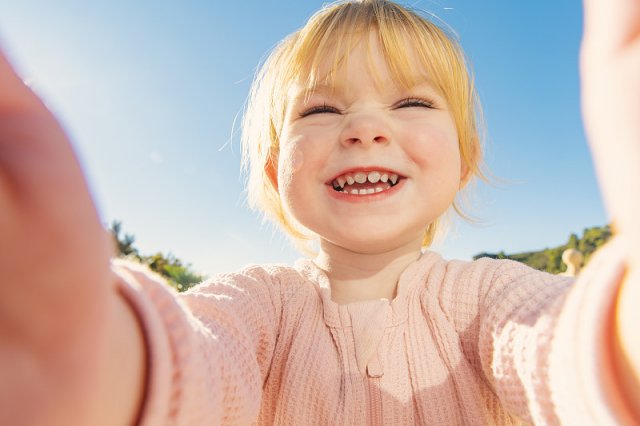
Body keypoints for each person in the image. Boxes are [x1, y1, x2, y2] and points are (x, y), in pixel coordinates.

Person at [0, 0, 638, 424]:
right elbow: (193, 370)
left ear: (464, 161)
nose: (363, 127)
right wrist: (80, 345)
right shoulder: (260, 306)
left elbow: (564, 352)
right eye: (321, 110)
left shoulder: (485, 296)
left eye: (411, 102)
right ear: (277, 172)